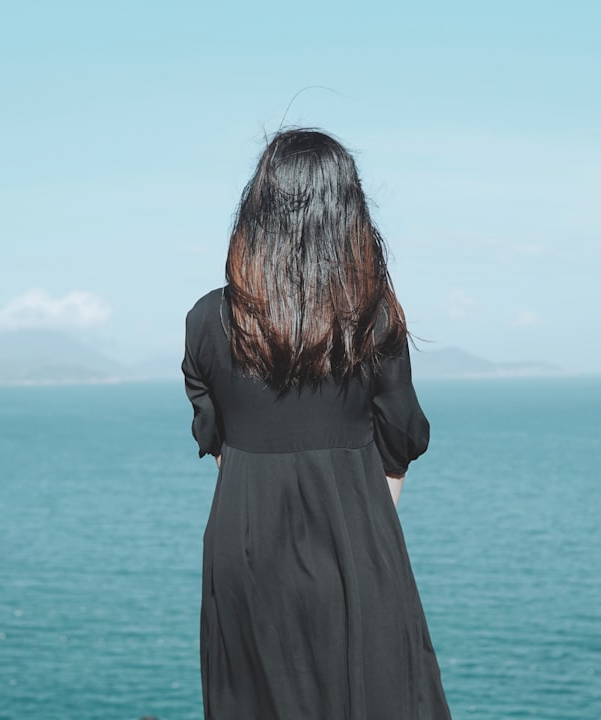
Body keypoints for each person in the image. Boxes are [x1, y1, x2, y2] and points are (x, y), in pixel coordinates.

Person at [181, 128, 451, 720]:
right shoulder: (372, 318)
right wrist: (357, 528)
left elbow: (222, 448)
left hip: (243, 550)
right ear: (348, 213)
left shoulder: (206, 321)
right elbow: (399, 446)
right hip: (353, 541)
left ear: (256, 209)